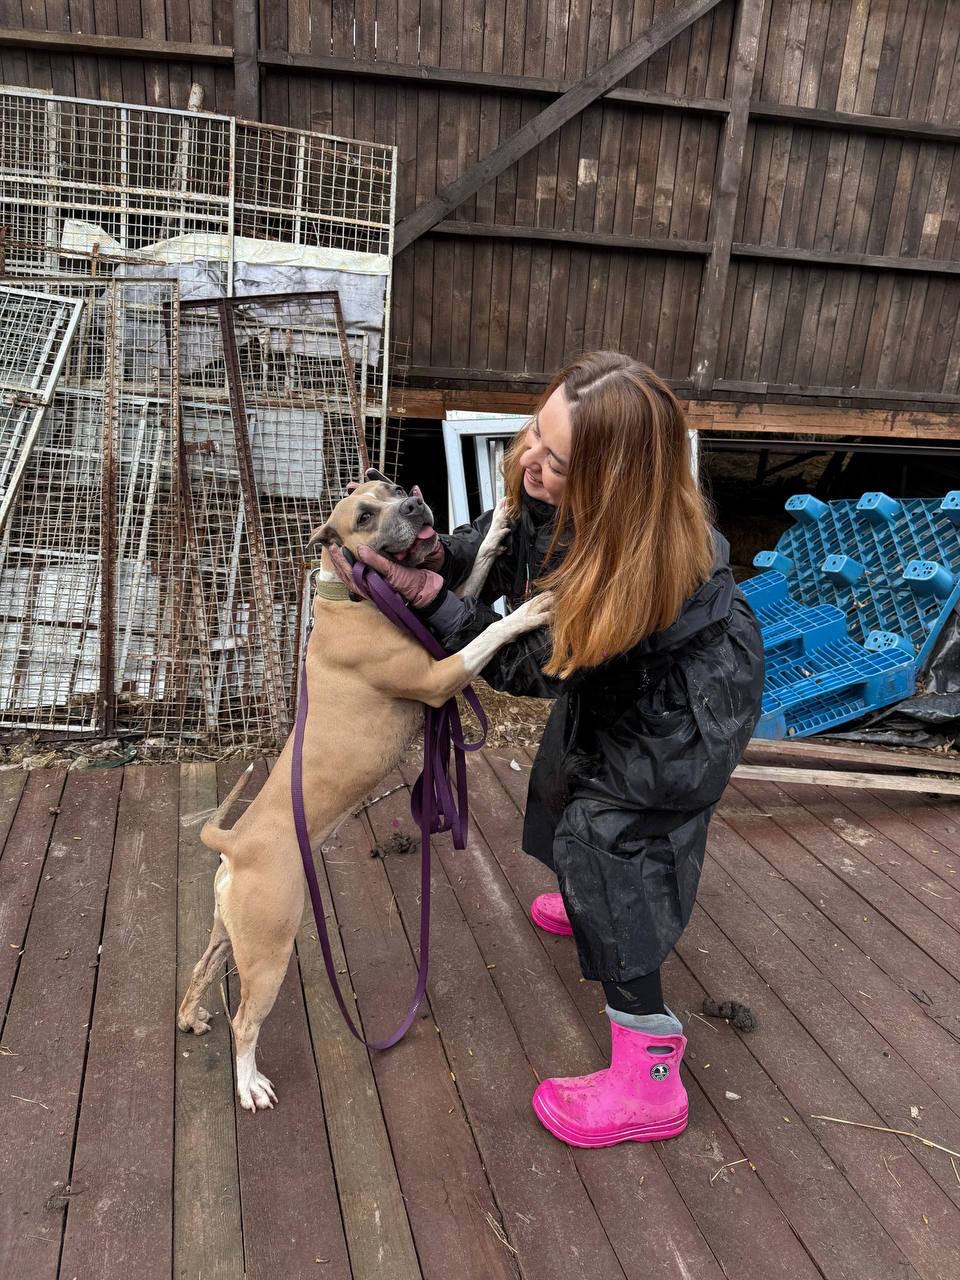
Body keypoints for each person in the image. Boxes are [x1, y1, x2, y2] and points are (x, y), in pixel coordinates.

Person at [331, 352, 764, 1149]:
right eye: (537, 431)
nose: (532, 460)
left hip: (683, 708)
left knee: (613, 841)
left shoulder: (644, 558)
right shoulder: (545, 489)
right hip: (613, 673)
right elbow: (493, 544)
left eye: (557, 460)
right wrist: (427, 557)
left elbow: (537, 667)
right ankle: (593, 903)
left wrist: (434, 605)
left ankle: (651, 1076)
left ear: (611, 482)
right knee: (565, 774)